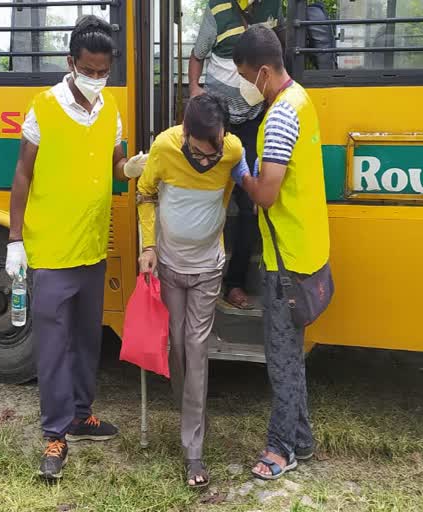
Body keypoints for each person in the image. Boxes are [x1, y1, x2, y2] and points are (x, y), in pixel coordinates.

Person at [5, 16, 148, 481]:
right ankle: (54, 432)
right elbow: (23, 173)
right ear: (71, 62)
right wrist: (14, 238)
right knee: (52, 346)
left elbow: (116, 162)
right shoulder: (44, 107)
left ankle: (83, 415)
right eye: (89, 68)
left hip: (91, 245)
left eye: (104, 70)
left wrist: (131, 168)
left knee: (88, 340)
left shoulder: (111, 109)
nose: (97, 77)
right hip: (51, 250)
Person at [230, 25, 332, 480]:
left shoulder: (279, 116)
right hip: (306, 250)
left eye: (244, 75)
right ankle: (303, 440)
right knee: (292, 355)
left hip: (285, 260)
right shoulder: (301, 101)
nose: (242, 85)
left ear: (264, 71)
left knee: (283, 361)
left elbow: (267, 194)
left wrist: (240, 174)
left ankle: (281, 448)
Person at [137, 94, 248, 488]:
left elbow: (243, 177)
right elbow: (146, 194)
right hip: (168, 265)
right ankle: (192, 413)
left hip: (207, 268)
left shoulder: (232, 150)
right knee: (177, 347)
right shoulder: (165, 147)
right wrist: (149, 246)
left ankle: (193, 449)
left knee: (196, 346)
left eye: (216, 148)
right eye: (203, 153)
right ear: (186, 136)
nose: (210, 159)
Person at [189, 0, 283, 310]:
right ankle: (201, 275)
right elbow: (197, 55)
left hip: (255, 120)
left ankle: (235, 282)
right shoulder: (217, 11)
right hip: (221, 121)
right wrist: (195, 93)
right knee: (210, 199)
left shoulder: (273, 7)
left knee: (247, 207)